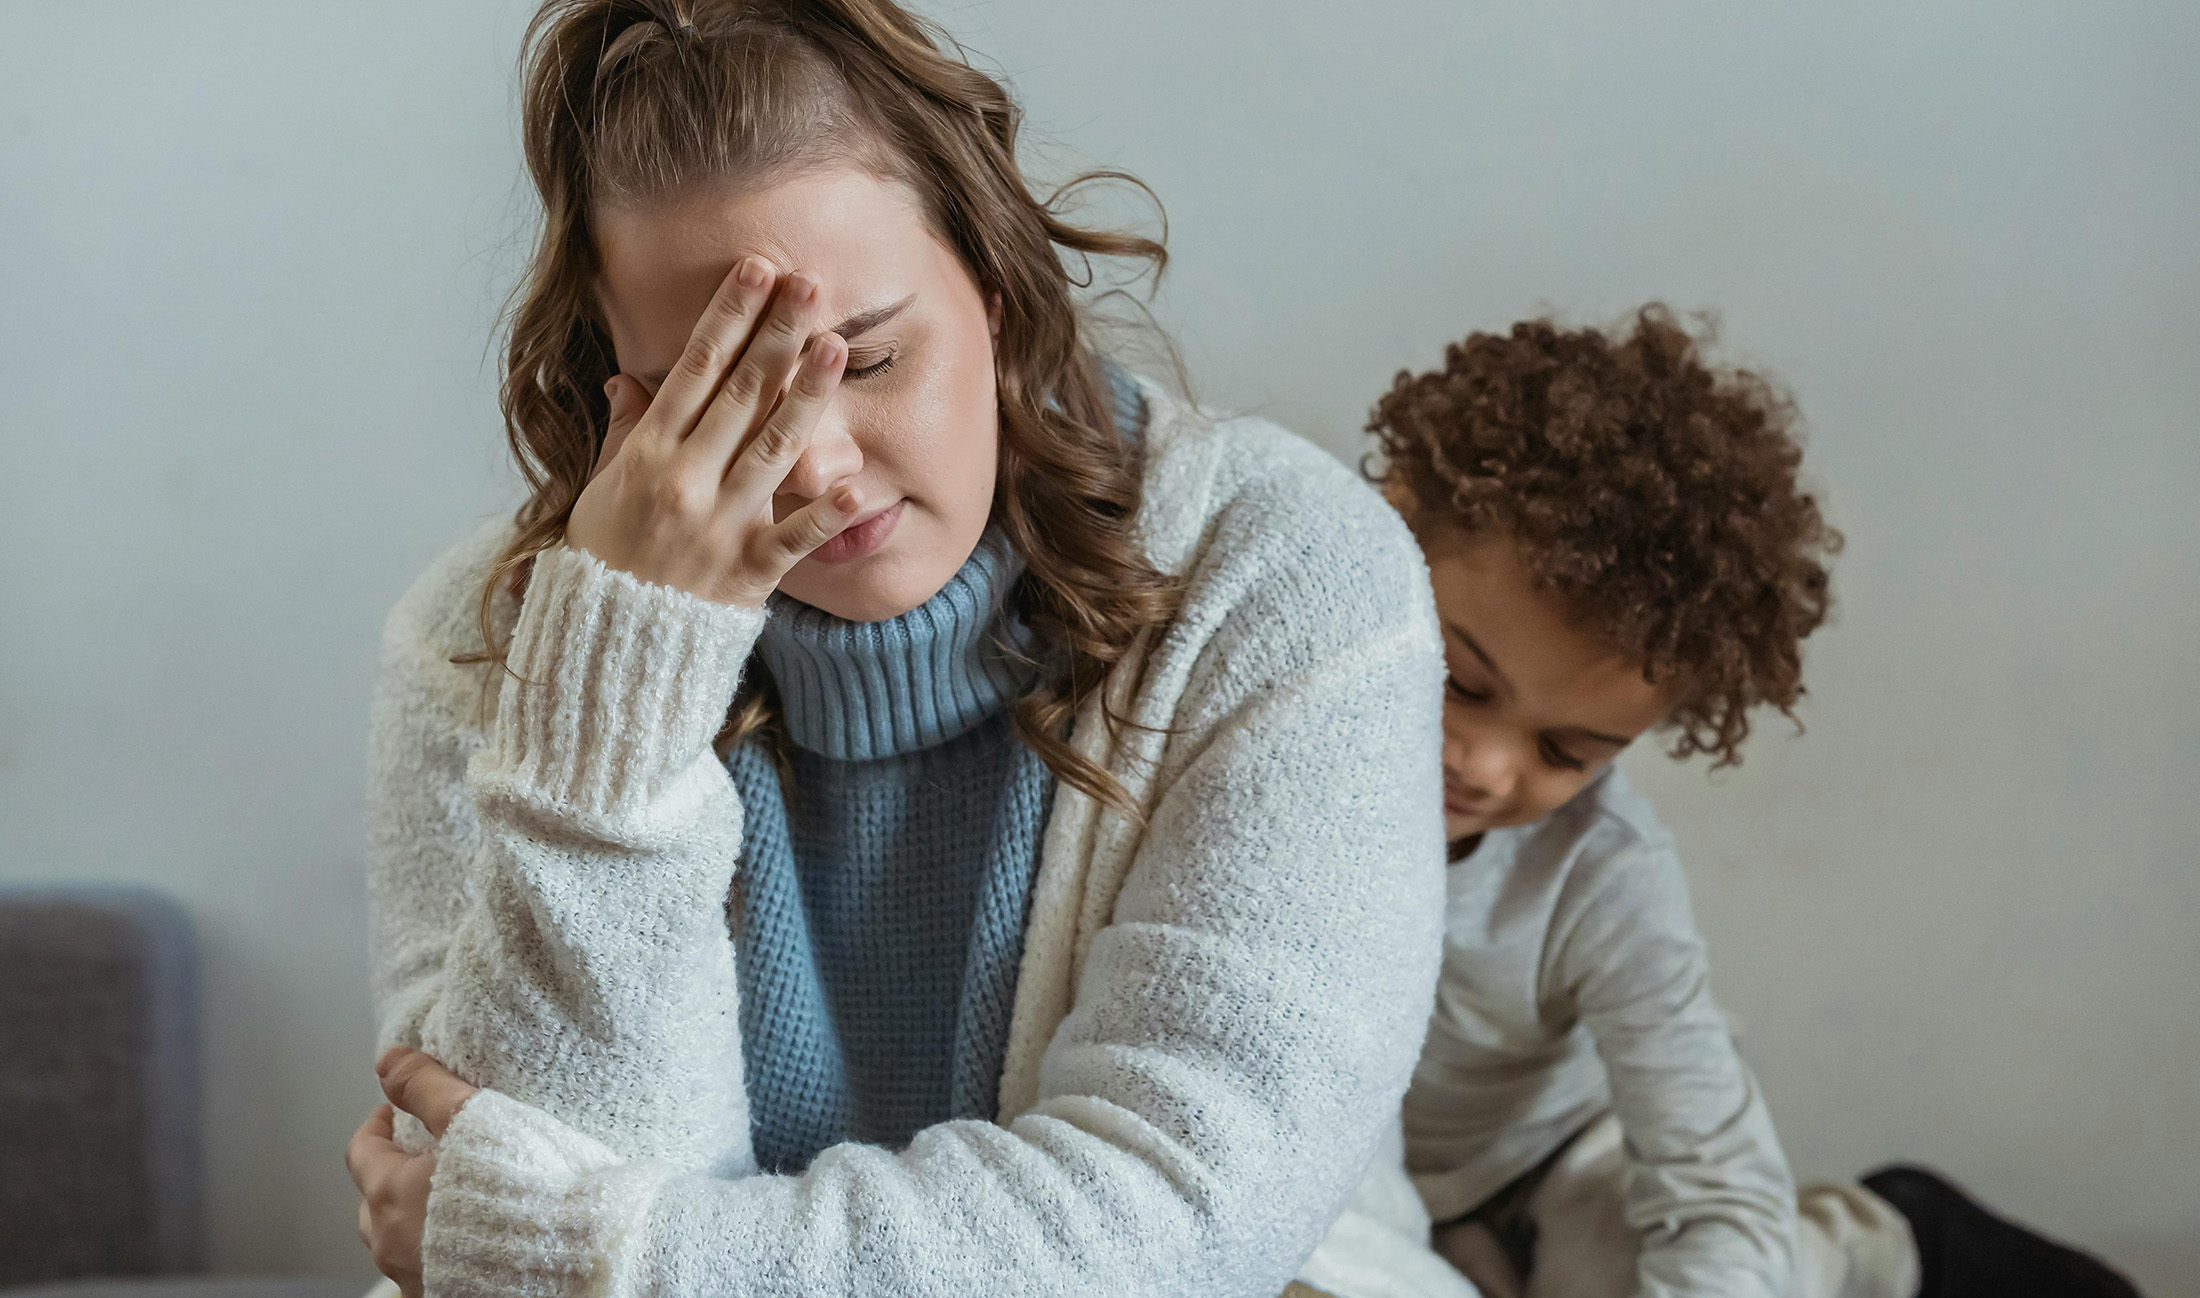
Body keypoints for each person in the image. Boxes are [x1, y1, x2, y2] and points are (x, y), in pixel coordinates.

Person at [342, 2, 1455, 1295]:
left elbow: (1179, 1217)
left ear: (998, 286)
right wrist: (619, 683)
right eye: (717, 398)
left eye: (866, 361)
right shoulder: (483, 640)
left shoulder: (1283, 571)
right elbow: (526, 1154)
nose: (815, 465)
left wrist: (604, 1257)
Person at [1368, 308, 2144, 1298]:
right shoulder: (1256, 732)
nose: (1482, 765)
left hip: (1558, 1158)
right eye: (1463, 681)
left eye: (1565, 752)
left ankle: (1880, 1240)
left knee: (1649, 1267)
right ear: (1388, 521)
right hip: (1373, 1185)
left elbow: (1713, 1182)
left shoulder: (1602, 874)